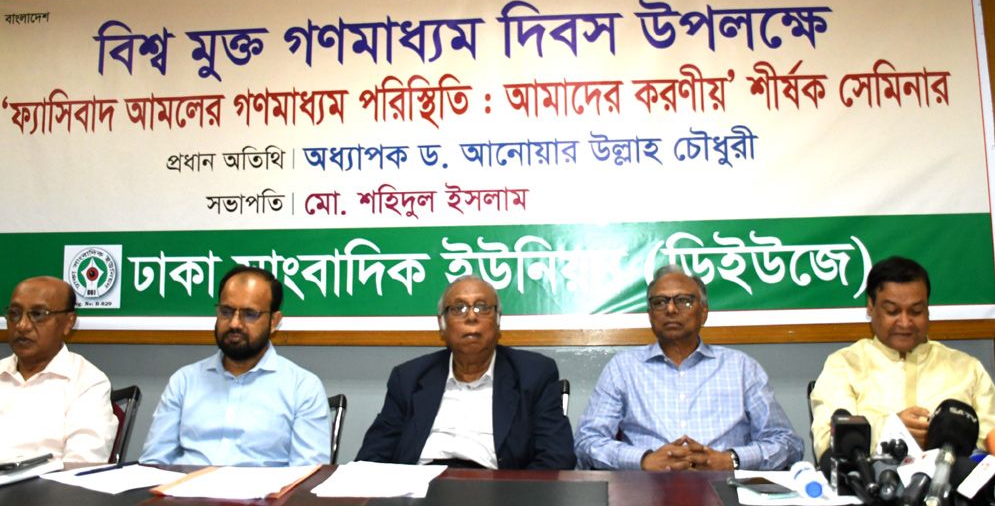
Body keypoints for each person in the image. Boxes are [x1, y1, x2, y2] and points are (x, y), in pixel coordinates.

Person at [574, 265, 803, 471]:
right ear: (650, 315)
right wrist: (643, 460)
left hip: (726, 486)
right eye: (660, 302)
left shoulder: (742, 367)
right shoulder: (623, 368)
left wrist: (730, 460)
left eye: (683, 300)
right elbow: (587, 442)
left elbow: (787, 443)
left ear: (703, 312)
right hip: (646, 488)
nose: (671, 309)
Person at [356, 275, 575, 469]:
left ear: (498, 321)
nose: (471, 317)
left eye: (482, 307)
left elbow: (557, 456)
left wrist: (511, 492)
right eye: (458, 308)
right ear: (442, 324)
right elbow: (373, 455)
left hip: (495, 488)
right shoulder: (408, 377)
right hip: (420, 487)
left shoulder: (534, 374)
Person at [140, 265, 330, 466]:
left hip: (264, 487)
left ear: (274, 321)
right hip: (185, 485)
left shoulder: (302, 388)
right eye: (226, 312)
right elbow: (153, 462)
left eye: (250, 314)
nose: (234, 324)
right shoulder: (184, 381)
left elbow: (308, 475)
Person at [810, 256, 995, 460]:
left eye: (916, 311)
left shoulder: (967, 369)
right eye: (892, 311)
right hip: (870, 479)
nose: (905, 323)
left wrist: (946, 437)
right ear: (870, 306)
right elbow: (828, 443)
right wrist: (891, 430)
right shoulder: (844, 365)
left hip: (954, 478)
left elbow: (991, 439)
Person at [0, 276, 117, 462]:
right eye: (14, 313)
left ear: (68, 322)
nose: (22, 325)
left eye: (38, 314)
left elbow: (82, 464)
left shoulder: (87, 382)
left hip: (48, 481)